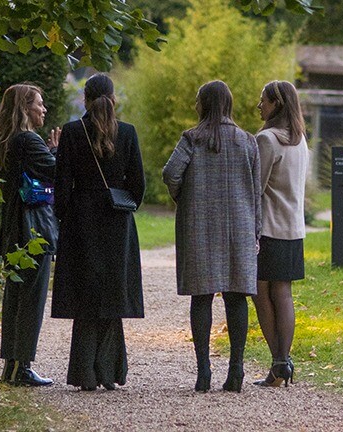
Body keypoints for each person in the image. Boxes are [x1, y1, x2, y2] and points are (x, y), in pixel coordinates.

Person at [162, 80, 261, 393]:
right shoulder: (248, 141)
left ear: (203, 104)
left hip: (200, 226)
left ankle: (203, 371)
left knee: (201, 297)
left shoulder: (192, 139)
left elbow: (170, 173)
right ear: (229, 104)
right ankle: (236, 370)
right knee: (237, 297)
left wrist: (185, 197)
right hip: (240, 228)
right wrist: (255, 230)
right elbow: (256, 193)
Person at [52, 73, 146, 391]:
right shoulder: (129, 133)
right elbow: (139, 185)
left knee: (86, 296)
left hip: (82, 219)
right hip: (117, 220)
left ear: (85, 100)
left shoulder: (72, 132)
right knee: (111, 295)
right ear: (113, 98)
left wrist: (64, 216)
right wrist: (125, 204)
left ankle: (84, 373)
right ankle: (109, 371)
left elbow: (62, 185)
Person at [0, 83, 60, 387]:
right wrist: (56, 151)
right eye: (39, 104)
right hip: (32, 231)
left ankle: (12, 367)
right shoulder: (29, 140)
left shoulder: (10, 141)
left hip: (14, 231)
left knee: (15, 301)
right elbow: (57, 172)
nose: (43, 109)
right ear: (24, 108)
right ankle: (22, 368)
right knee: (30, 301)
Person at [251, 80, 309, 387]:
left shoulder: (267, 140)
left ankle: (278, 362)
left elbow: (255, 189)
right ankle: (282, 362)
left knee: (261, 294)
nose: (260, 106)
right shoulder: (300, 141)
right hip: (293, 228)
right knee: (283, 292)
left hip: (269, 229)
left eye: (264, 101)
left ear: (278, 104)